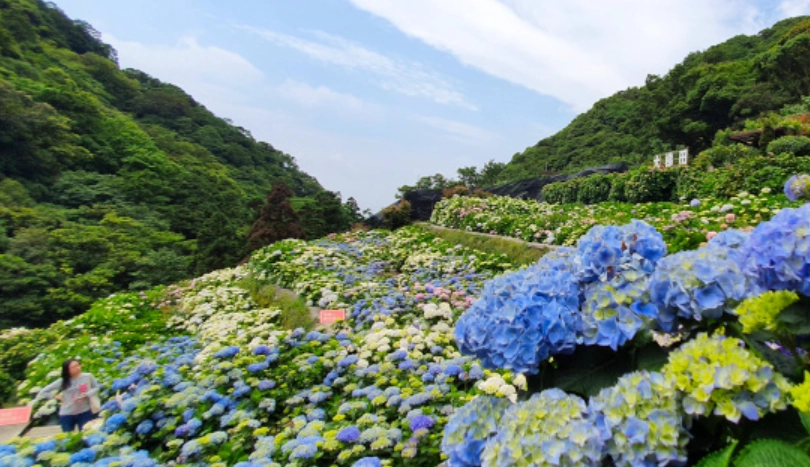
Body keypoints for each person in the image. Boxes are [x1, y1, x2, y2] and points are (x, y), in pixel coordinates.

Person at [35, 358, 100, 433]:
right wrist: (56, 397)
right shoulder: (62, 381)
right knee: (68, 438)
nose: (78, 368)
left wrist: (87, 394)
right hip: (67, 413)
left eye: (78, 365)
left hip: (84, 411)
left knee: (86, 434)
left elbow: (96, 387)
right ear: (67, 370)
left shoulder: (88, 376)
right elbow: (43, 392)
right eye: (74, 367)